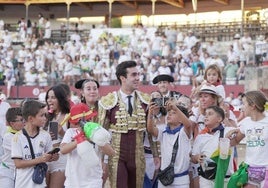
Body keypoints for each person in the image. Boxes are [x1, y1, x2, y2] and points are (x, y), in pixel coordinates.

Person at [98, 60, 152, 188]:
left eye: (138, 74)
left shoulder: (146, 101)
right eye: (133, 75)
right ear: (123, 78)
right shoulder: (108, 101)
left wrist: (156, 155)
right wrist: (102, 159)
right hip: (116, 155)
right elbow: (100, 134)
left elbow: (150, 131)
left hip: (138, 155)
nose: (138, 78)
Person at [60, 103, 115, 188]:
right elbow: (63, 150)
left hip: (93, 181)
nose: (86, 123)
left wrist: (96, 138)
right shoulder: (70, 132)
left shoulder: (96, 131)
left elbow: (111, 152)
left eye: (89, 119)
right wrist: (79, 139)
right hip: (73, 181)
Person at [11, 100, 59, 188]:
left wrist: (53, 157)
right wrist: (40, 159)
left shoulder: (45, 135)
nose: (45, 118)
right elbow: (18, 164)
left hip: (40, 183)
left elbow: (48, 157)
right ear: (30, 119)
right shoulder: (17, 137)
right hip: (23, 184)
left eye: (45, 115)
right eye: (41, 115)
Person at [226, 90, 268, 188]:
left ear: (253, 105)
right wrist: (228, 138)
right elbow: (236, 141)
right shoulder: (246, 123)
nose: (242, 107)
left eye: (244, 104)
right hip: (250, 169)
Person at [147, 98, 192, 187]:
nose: (169, 115)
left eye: (173, 113)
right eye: (169, 113)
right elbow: (150, 129)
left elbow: (188, 124)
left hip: (181, 180)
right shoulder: (163, 131)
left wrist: (175, 108)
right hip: (164, 178)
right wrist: (150, 113)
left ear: (181, 119)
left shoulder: (184, 132)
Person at [191, 105, 235, 188]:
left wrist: (234, 130)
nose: (206, 116)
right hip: (206, 179)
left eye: (210, 114)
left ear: (219, 119)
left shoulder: (228, 131)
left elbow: (241, 133)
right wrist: (197, 157)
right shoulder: (200, 137)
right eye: (205, 114)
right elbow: (193, 158)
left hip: (225, 179)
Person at [45, 84, 70, 188]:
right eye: (48, 97)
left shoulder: (69, 115)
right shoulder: (45, 116)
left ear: (60, 98)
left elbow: (75, 140)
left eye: (53, 97)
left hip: (61, 159)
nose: (49, 100)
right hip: (45, 159)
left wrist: (62, 133)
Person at [0, 107, 24, 187]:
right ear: (12, 123)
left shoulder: (24, 133)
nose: (23, 122)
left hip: (20, 172)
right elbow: (22, 153)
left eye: (23, 119)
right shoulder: (8, 136)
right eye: (20, 120)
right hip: (7, 171)